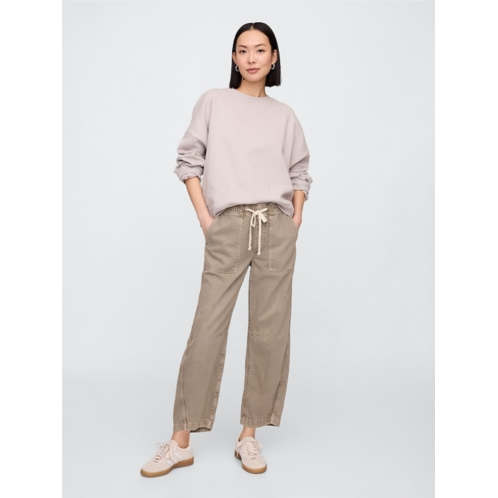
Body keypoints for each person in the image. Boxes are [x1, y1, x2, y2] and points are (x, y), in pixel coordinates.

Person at [141, 21, 313, 477]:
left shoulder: (285, 115)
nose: (251, 58)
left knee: (269, 332)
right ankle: (180, 441)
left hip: (276, 226)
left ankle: (248, 435)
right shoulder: (214, 101)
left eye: (260, 49)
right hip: (229, 224)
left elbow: (299, 170)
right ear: (234, 58)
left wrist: (294, 219)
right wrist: (206, 219)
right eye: (243, 50)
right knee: (207, 329)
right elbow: (188, 160)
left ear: (274, 58)